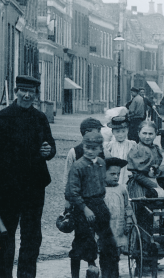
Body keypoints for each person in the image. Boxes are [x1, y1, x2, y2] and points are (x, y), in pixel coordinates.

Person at [0, 75, 56, 278]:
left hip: (34, 187)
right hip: (8, 188)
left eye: (30, 92)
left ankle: (26, 275)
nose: (26, 95)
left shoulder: (40, 118)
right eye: (23, 90)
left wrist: (48, 150)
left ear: (35, 95)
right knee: (5, 235)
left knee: (31, 237)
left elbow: (51, 146)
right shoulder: (1, 118)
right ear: (16, 92)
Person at [65, 130, 119, 278]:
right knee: (83, 242)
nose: (89, 151)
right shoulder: (78, 166)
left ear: (100, 149)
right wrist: (85, 209)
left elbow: (102, 187)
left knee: (108, 242)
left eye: (94, 148)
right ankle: (83, 271)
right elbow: (72, 192)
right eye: (87, 147)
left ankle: (108, 273)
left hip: (99, 205)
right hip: (83, 207)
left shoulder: (101, 163)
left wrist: (101, 206)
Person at [64, 117, 105, 278]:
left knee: (95, 235)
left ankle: (92, 267)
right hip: (79, 203)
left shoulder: (102, 151)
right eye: (97, 130)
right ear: (87, 132)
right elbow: (67, 178)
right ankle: (77, 271)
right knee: (81, 236)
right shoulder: (74, 152)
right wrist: (67, 203)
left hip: (97, 202)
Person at [104, 157, 135, 255]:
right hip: (105, 226)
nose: (116, 177)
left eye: (118, 174)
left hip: (119, 225)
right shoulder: (99, 190)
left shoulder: (122, 189)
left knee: (117, 250)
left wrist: (129, 219)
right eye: (112, 174)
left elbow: (128, 206)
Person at [126, 120, 163, 200]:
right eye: (144, 133)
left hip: (153, 181)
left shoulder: (155, 148)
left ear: (156, 134)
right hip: (140, 185)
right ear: (139, 133)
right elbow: (137, 174)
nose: (147, 137)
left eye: (150, 134)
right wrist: (154, 186)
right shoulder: (137, 149)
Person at [103, 115, 137, 187]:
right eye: (117, 132)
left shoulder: (132, 144)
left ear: (127, 130)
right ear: (113, 132)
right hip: (115, 173)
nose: (120, 134)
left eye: (123, 131)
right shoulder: (109, 145)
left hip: (127, 173)